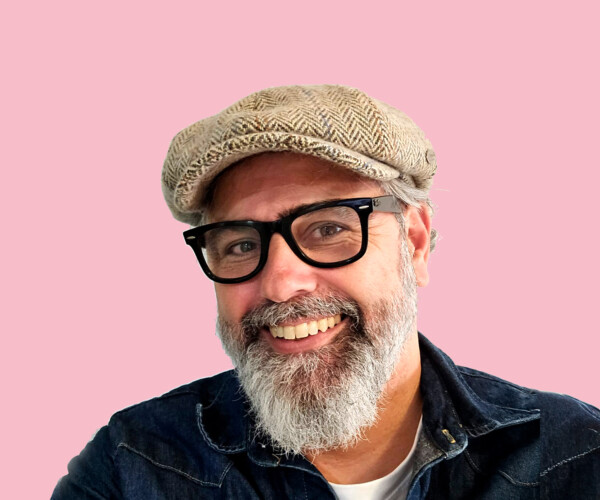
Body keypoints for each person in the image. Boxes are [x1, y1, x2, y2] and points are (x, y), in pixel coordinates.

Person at [53, 85, 600, 499]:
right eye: (241, 244)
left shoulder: (575, 456)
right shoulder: (134, 465)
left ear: (413, 243)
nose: (281, 283)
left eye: (329, 228)